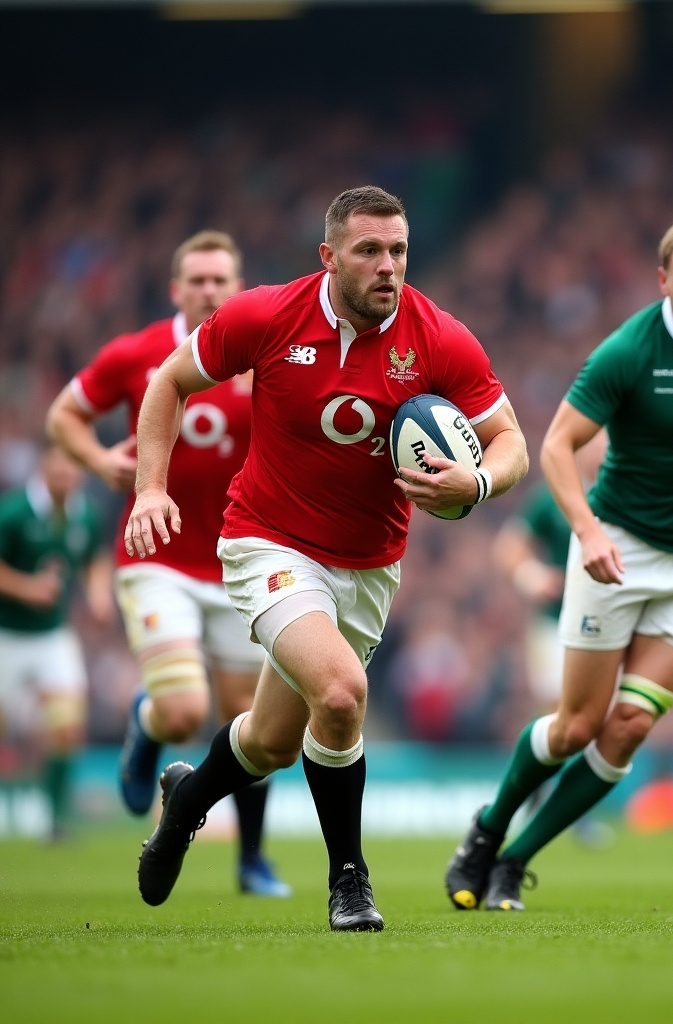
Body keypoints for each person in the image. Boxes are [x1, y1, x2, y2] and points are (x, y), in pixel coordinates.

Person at [123, 185, 529, 932]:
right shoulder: (266, 314)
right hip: (266, 540)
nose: (387, 266)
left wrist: (476, 480)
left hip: (369, 565)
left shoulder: (439, 337)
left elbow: (512, 445)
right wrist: (151, 489)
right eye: (369, 251)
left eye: (398, 251)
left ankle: (186, 800)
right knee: (340, 695)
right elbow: (168, 383)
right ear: (329, 256)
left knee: (272, 739)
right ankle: (350, 880)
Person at [445, 212, 673, 912]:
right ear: (662, 281)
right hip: (620, 550)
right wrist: (587, 531)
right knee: (577, 724)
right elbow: (554, 446)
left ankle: (515, 860)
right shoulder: (627, 351)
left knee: (630, 726)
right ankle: (488, 828)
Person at [46, 231, 291, 897]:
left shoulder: (265, 355)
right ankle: (147, 723)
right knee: (185, 712)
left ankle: (252, 859)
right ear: (175, 289)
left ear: (238, 288)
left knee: (254, 725)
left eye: (222, 280)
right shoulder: (138, 354)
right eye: (199, 280)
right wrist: (101, 463)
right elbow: (64, 415)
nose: (211, 290)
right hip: (156, 556)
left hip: (240, 556)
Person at [492, 435, 614, 847]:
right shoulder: (553, 496)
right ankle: (532, 795)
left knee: (595, 717)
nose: (602, 449)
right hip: (555, 623)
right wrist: (533, 576)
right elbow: (509, 547)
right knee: (558, 712)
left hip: (607, 621)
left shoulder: (624, 487)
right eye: (596, 441)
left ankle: (569, 807)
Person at [0, 443, 114, 840]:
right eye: (60, 466)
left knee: (67, 727)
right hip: (6, 635)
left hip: (52, 635)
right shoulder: (13, 513)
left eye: (74, 467)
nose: (67, 475)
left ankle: (52, 819)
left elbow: (95, 558)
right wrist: (27, 587)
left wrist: (99, 593)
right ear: (44, 468)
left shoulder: (85, 514)